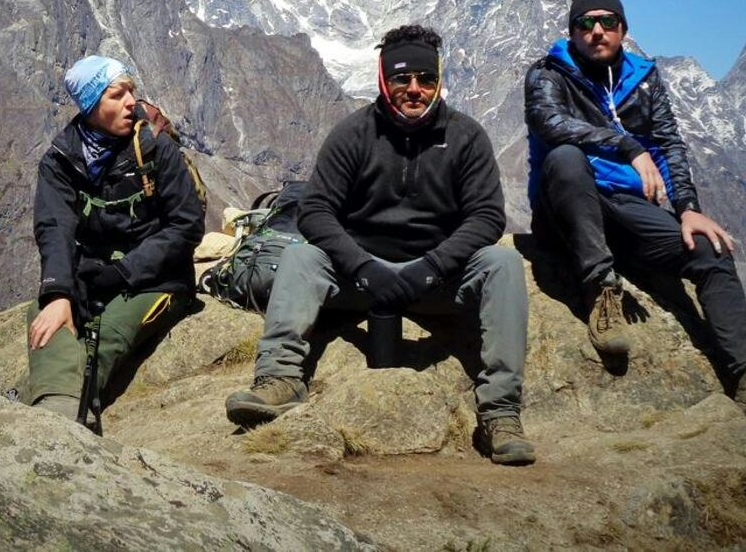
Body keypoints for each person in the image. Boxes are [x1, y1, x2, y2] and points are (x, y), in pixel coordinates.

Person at [224, 25, 534, 466]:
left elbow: (486, 217)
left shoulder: (467, 137)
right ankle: (279, 379)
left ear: (439, 80)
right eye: (402, 79)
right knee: (301, 257)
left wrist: (429, 269)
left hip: (436, 279)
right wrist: (362, 268)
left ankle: (500, 412)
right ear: (383, 80)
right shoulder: (353, 134)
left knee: (501, 263)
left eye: (426, 79)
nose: (414, 89)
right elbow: (315, 211)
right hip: (360, 278)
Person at [525, 0, 746, 416]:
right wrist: (626, 146)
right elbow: (549, 122)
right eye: (586, 23)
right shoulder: (547, 74)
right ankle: (600, 289)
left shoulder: (644, 77)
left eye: (607, 22)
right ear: (573, 32)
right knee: (564, 158)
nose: (597, 31)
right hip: (565, 210)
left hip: (627, 211)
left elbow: (669, 144)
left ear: (623, 29)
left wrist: (687, 209)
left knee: (708, 248)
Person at [27, 56, 204, 426]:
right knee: (48, 316)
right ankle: (60, 406)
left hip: (157, 280)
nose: (131, 103)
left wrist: (124, 272)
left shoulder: (155, 147)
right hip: (94, 277)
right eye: (117, 95)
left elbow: (186, 226)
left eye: (131, 92)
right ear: (91, 106)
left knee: (108, 333)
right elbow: (54, 228)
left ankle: (56, 410)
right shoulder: (61, 161)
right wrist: (59, 293)